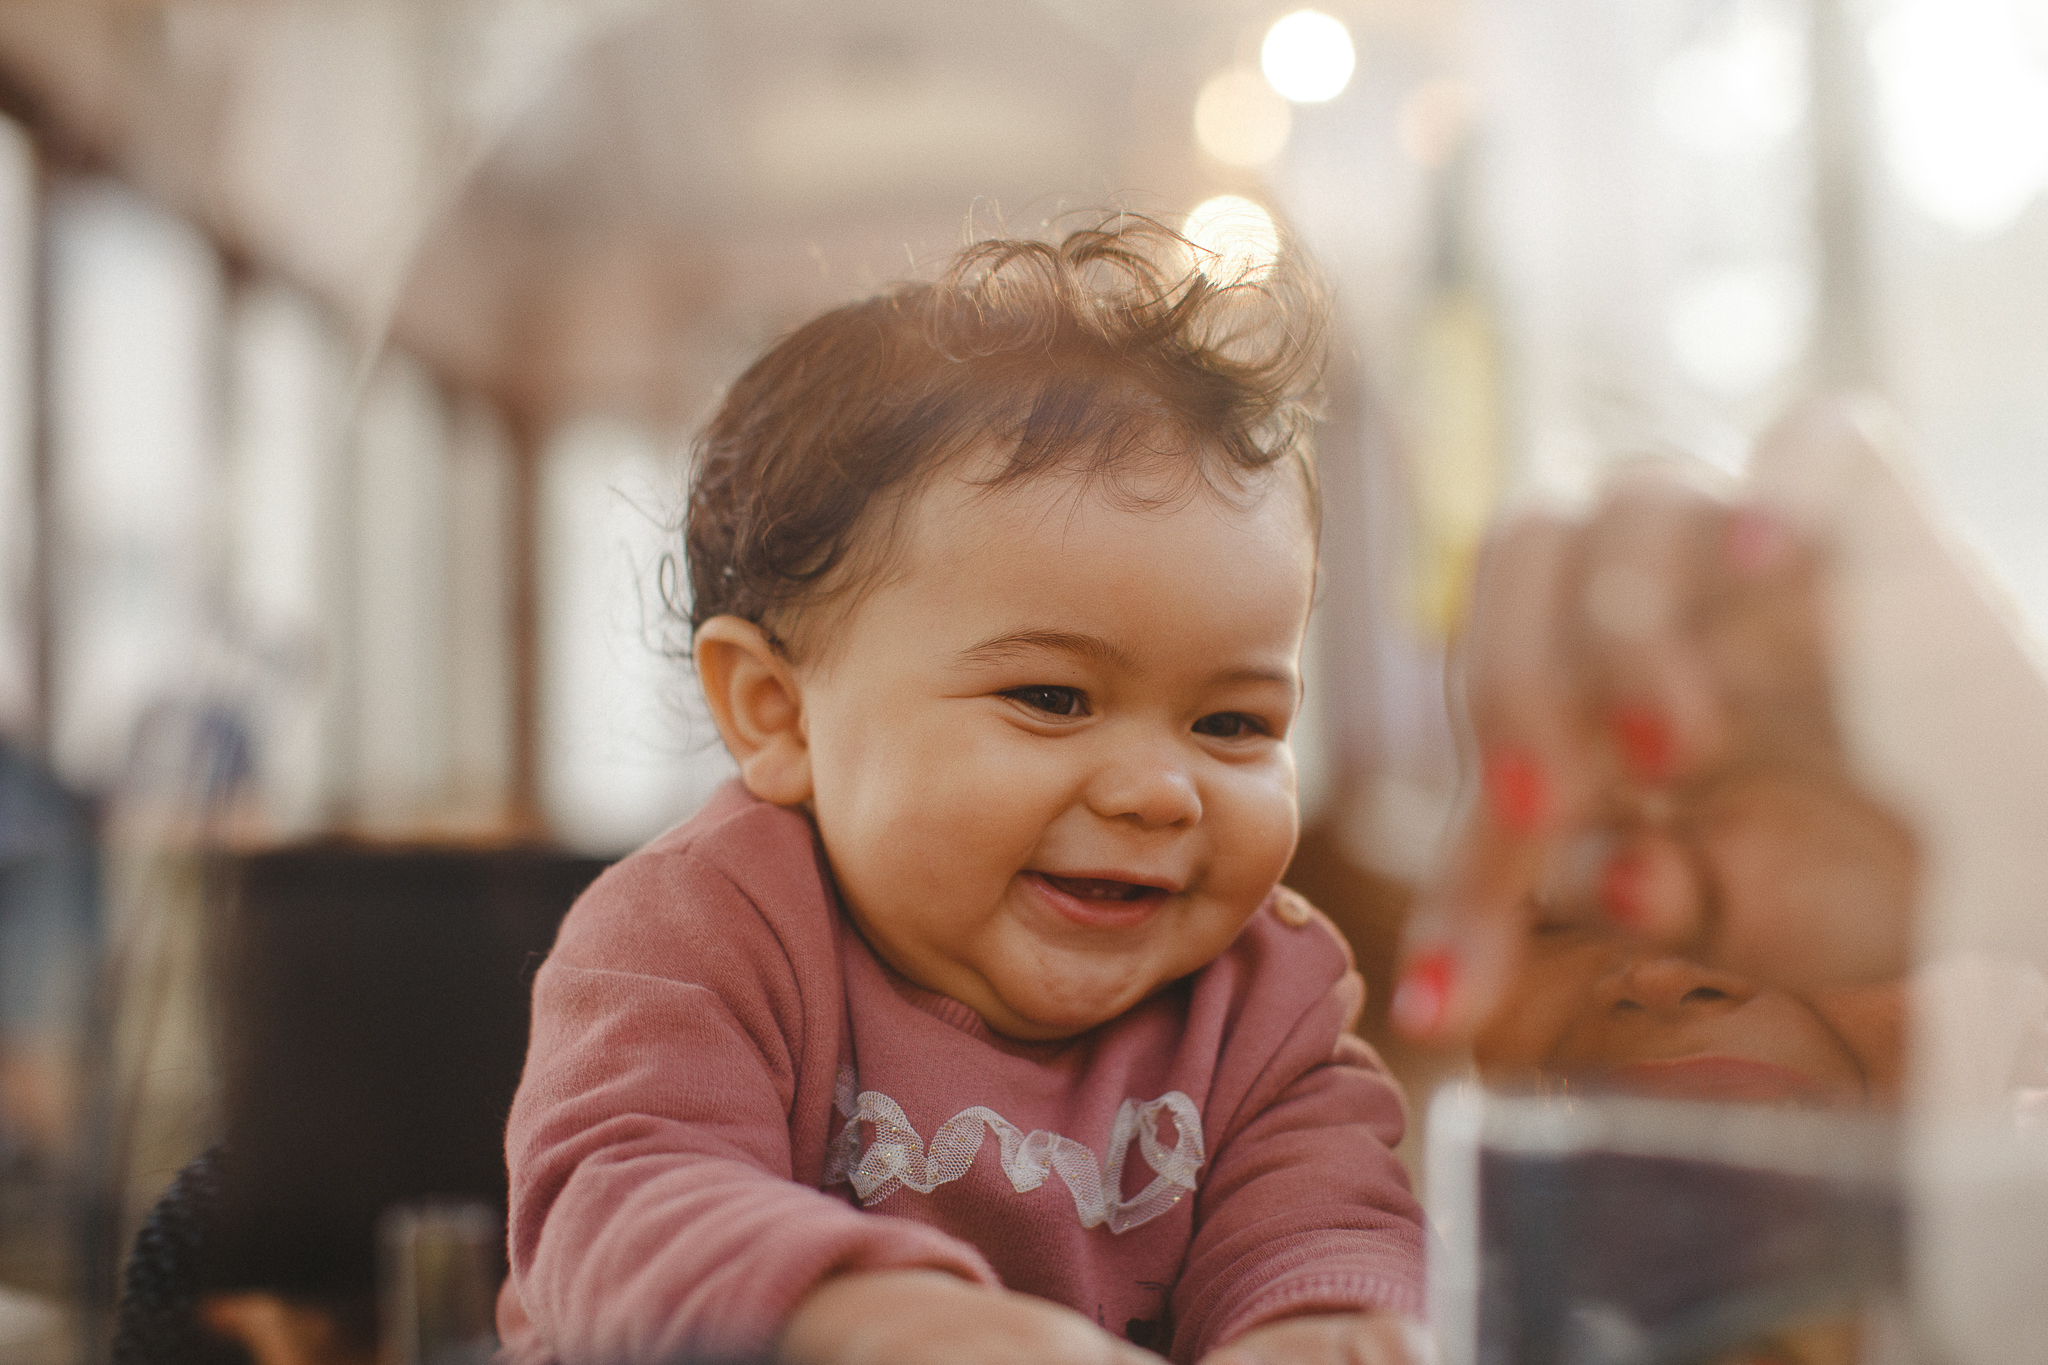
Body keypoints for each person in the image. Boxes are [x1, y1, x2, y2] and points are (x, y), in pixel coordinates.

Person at [495, 217, 1427, 1365]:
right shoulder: (695, 934)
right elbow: (622, 1207)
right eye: (1050, 698)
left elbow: (1328, 1233)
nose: (1158, 794)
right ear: (774, 713)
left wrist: (1325, 1329)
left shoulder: (1267, 1005)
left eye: (1232, 722)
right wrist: (886, 1326)